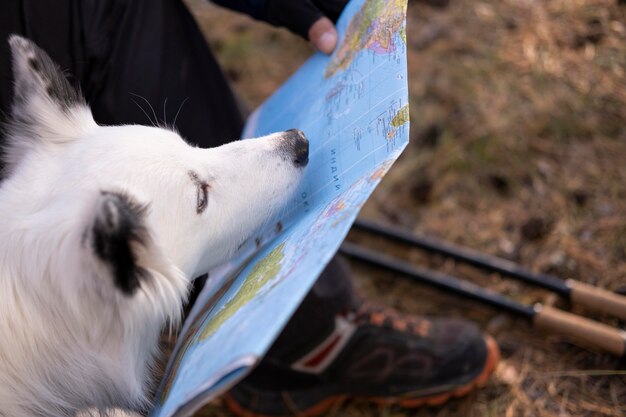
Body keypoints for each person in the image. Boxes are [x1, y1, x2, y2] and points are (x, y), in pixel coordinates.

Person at [0, 1, 499, 416]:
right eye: (201, 195)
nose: (281, 148)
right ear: (123, 262)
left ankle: (300, 337)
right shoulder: (107, 245)